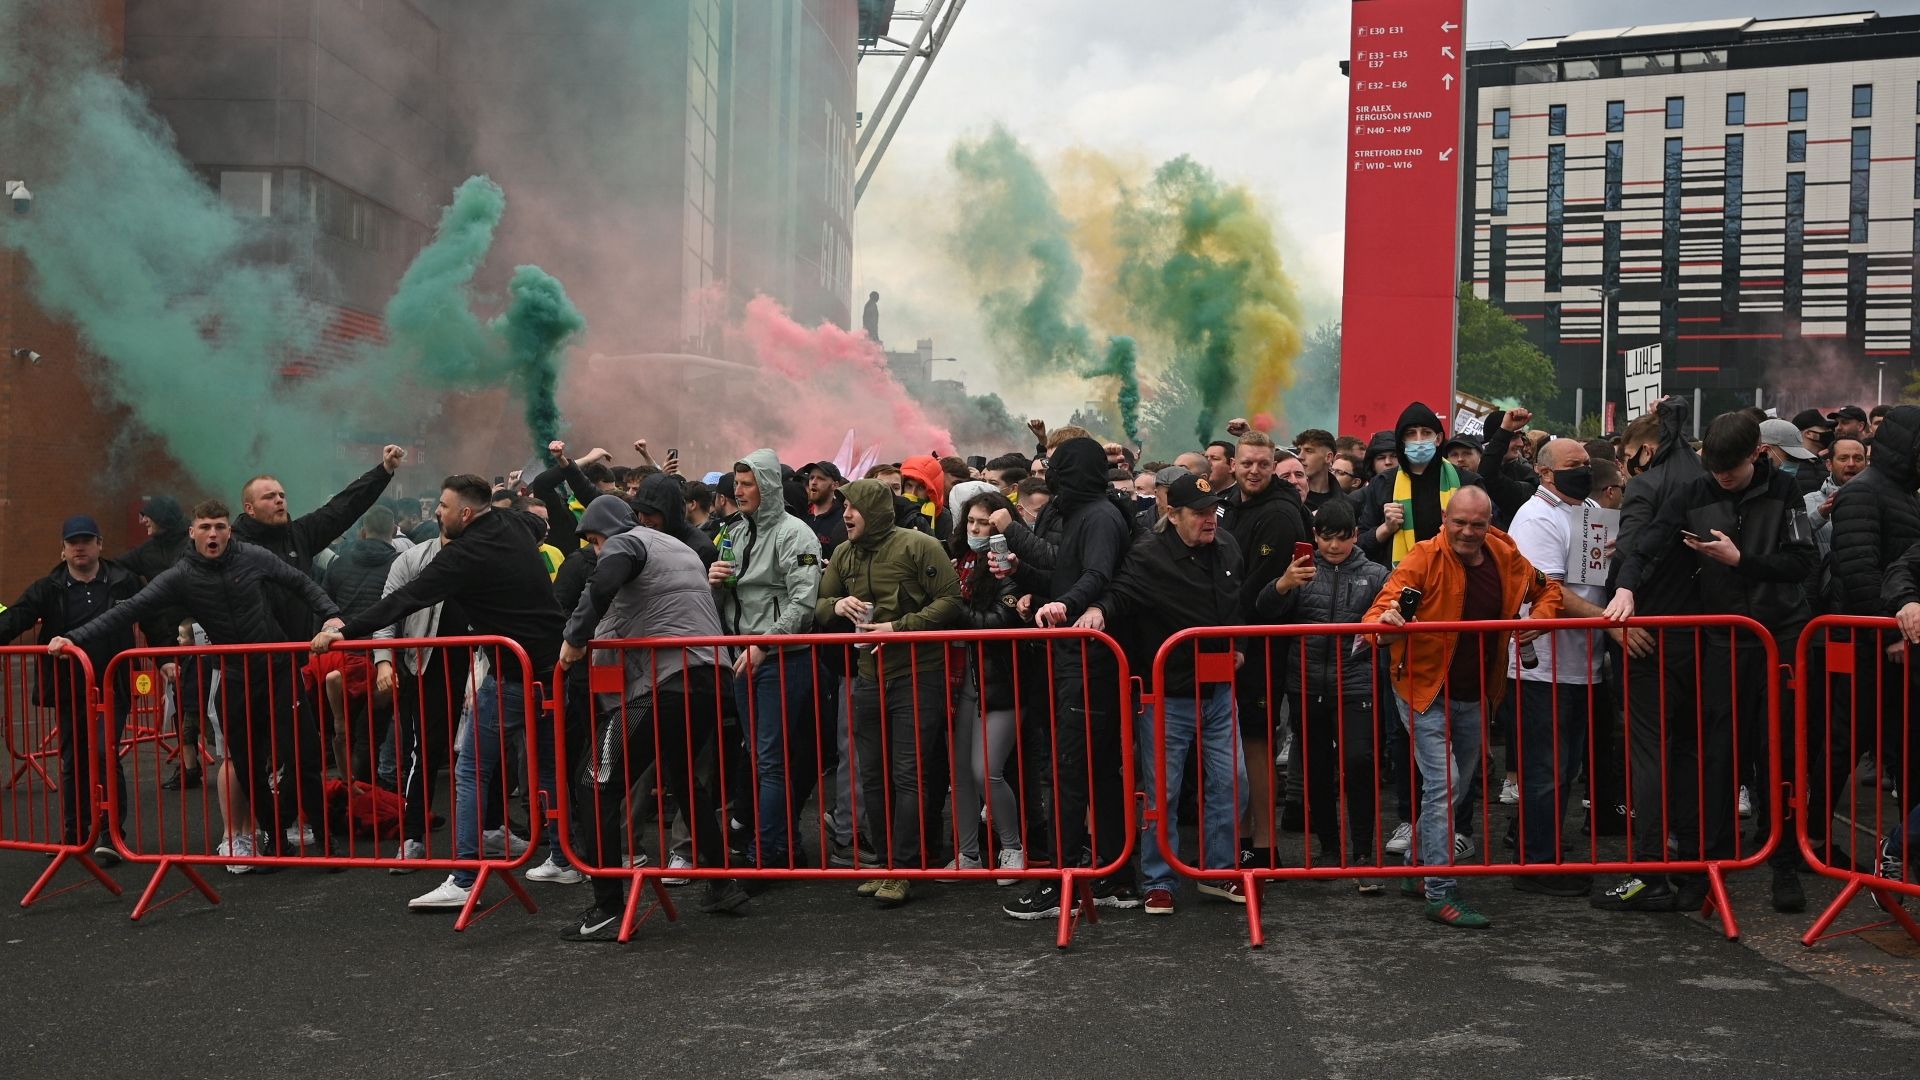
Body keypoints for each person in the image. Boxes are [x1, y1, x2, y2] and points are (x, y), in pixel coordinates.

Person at [315, 474, 574, 908]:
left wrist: (347, 629)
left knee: (470, 769)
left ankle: (465, 877)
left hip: (515, 673)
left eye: (443, 505)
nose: (436, 511)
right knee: (547, 768)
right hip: (547, 665)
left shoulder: (467, 554)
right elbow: (535, 526)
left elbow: (408, 597)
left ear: (466, 513)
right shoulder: (513, 524)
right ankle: (562, 858)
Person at [50, 501, 347, 866]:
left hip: (277, 669)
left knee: (303, 757)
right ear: (192, 533)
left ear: (229, 531)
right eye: (205, 527)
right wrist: (73, 638)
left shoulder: (252, 556)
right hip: (235, 676)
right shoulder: (182, 574)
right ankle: (275, 838)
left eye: (220, 526)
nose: (213, 534)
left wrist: (332, 618)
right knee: (248, 764)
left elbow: (300, 581)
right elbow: (129, 610)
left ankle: (325, 840)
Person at [1605, 412, 1818, 915]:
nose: (1722, 479)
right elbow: (1649, 543)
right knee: (1718, 759)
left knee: (1779, 756)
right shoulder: (1695, 491)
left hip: (1779, 639)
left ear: (1757, 456)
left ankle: (1784, 864)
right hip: (1722, 643)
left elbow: (1802, 563)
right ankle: (1712, 866)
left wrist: (1739, 559)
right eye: (1714, 470)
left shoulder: (1785, 493)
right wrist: (1626, 587)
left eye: (1731, 471)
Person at [1363, 486, 1564, 930]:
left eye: (1478, 523)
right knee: (1446, 783)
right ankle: (1440, 890)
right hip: (1421, 688)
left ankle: (1419, 865)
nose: (1469, 532)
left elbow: (1547, 590)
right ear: (1444, 520)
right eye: (1460, 523)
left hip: (1475, 692)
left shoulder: (1504, 552)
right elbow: (1375, 617)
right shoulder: (1422, 557)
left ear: (1490, 522)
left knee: (1456, 786)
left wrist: (1539, 621)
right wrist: (1388, 620)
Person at [556, 495, 750, 940]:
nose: (595, 551)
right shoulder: (675, 547)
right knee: (683, 777)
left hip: (669, 684)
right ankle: (722, 885)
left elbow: (602, 586)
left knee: (593, 780)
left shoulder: (626, 544)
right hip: (709, 678)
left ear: (602, 532)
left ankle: (605, 908)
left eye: (593, 541)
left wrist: (574, 638)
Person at [1081, 473, 1246, 916]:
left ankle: (1219, 871)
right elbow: (1122, 593)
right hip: (1167, 696)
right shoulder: (1149, 555)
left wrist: (1241, 649)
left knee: (1232, 784)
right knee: (1163, 792)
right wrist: (1096, 609)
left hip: (1218, 692)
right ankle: (1159, 880)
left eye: (1213, 511)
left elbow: (1238, 607)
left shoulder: (1228, 546)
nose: (1210, 520)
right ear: (1172, 514)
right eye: (1199, 513)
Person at [1003, 437, 1139, 919]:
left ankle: (1067, 876)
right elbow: (1067, 578)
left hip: (1087, 663)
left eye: (1058, 467)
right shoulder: (1086, 513)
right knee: (1094, 769)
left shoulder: (1098, 516)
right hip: (1077, 659)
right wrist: (1028, 576)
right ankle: (1110, 876)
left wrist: (1068, 604)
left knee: (1072, 769)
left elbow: (1097, 575)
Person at [815, 479, 963, 908]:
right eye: (843, 506)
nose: (845, 514)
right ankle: (884, 864)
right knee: (873, 775)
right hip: (867, 676)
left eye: (853, 507)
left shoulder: (919, 545)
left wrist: (898, 628)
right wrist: (838, 606)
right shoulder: (842, 554)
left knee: (908, 774)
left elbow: (952, 600)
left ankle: (905, 867)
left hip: (918, 674)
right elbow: (820, 604)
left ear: (876, 511)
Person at [1, 516, 167, 863]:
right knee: (73, 759)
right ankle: (76, 836)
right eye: (73, 542)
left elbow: (152, 618)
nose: (80, 547)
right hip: (68, 686)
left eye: (87, 540)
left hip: (112, 683)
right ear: (62, 550)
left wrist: (165, 657)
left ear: (100, 545)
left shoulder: (125, 582)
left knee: (105, 752)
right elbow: (16, 617)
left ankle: (111, 835)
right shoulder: (47, 588)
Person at [1500, 439, 1619, 898]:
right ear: (1546, 473)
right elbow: (1546, 589)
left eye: (1588, 465)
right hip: (1542, 666)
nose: (1585, 471)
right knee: (1545, 769)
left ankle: (1545, 850)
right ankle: (1535, 862)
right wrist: (1611, 624)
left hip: (1581, 662)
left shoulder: (1588, 507)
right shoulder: (1535, 517)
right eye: (1575, 466)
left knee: (1565, 768)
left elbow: (1591, 574)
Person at [1256, 497, 1389, 890]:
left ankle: (1363, 852)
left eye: (1342, 538)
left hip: (1357, 682)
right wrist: (1283, 583)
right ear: (1315, 537)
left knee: (1360, 762)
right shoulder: (1300, 570)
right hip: (1306, 683)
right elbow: (1264, 608)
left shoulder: (1376, 573)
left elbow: (1393, 612)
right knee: (1314, 768)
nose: (1333, 546)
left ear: (1356, 535)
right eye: (1327, 538)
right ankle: (1330, 847)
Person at [709, 449, 823, 869]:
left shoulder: (798, 535)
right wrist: (714, 583)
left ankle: (768, 854)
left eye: (746, 483)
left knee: (770, 760)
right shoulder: (733, 533)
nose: (737, 491)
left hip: (783, 659)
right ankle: (783, 847)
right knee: (759, 758)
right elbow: (724, 602)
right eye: (736, 484)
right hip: (746, 657)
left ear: (768, 486)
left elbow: (804, 602)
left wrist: (765, 643)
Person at [1816, 407, 1920, 854]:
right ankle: (1815, 836)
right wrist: (1892, 627)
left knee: (1902, 745)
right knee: (1846, 740)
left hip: (1892, 641)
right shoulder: (1865, 493)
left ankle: (1905, 847)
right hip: (1868, 644)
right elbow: (1859, 573)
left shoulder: (1901, 492)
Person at [1221, 431, 1314, 872]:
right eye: (1247, 463)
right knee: (1233, 740)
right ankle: (1240, 837)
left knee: (1256, 741)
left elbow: (1255, 590)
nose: (1253, 470)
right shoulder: (1227, 504)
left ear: (1272, 465)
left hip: (1260, 643)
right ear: (1234, 464)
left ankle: (1263, 844)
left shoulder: (1281, 514)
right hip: (1227, 637)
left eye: (1262, 463)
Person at [944, 490, 1028, 882]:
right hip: (962, 678)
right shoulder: (957, 561)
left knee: (986, 771)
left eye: (986, 523)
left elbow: (1001, 621)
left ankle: (1013, 847)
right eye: (972, 522)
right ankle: (967, 854)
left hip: (1001, 679)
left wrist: (949, 607)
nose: (977, 529)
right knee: (960, 771)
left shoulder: (1008, 564)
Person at [1353, 403, 1528, 568]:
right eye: (1411, 434)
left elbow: (1488, 537)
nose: (1419, 440)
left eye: (1426, 432)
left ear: (1438, 439)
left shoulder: (1467, 482)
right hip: (1399, 586)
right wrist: (1386, 528)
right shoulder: (1383, 484)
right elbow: (1361, 546)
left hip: (1457, 582)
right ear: (1401, 441)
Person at [120, 495, 199, 789]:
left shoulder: (192, 544)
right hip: (168, 638)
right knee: (178, 702)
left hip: (202, 635)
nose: (143, 521)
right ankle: (189, 766)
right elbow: (116, 568)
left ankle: (238, 762)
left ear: (162, 517)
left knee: (214, 701)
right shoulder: (145, 552)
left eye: (147, 515)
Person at [1806, 436, 1869, 553]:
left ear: (1866, 463)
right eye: (1843, 458)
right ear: (1829, 465)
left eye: (1858, 459)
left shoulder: (1879, 499)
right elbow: (1794, 537)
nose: (1851, 464)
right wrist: (1819, 516)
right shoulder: (1809, 502)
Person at [798, 461, 849, 559]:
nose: (813, 482)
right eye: (811, 478)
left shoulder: (843, 517)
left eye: (820, 479)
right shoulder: (800, 513)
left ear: (835, 485)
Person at [1293, 429, 1340, 510]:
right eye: (1299, 451)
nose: (1300, 457)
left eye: (1308, 451)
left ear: (1328, 457)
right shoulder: (1291, 498)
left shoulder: (1347, 504)